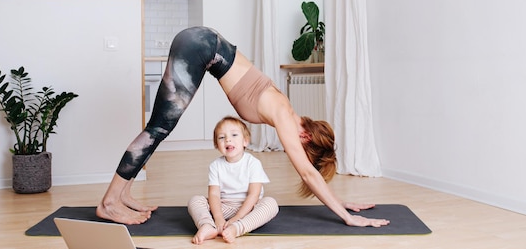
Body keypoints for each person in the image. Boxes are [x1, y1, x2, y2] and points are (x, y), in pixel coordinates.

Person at [96, 26, 389, 229]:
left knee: (159, 128)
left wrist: (341, 201)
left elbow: (310, 172)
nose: (295, 153)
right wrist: (346, 216)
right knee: (158, 128)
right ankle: (110, 201)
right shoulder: (286, 116)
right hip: (200, 45)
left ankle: (123, 195)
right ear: (306, 136)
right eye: (304, 150)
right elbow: (308, 173)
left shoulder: (283, 109)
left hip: (202, 42)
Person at [188, 116, 279, 244]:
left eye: (234, 135)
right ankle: (207, 226)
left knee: (271, 204)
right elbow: (214, 194)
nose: (228, 139)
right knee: (196, 200)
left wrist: (237, 218)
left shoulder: (253, 163)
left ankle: (237, 228)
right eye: (221, 137)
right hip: (224, 206)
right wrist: (218, 218)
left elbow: (254, 194)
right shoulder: (215, 165)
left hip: (249, 208)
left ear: (245, 141)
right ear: (216, 145)